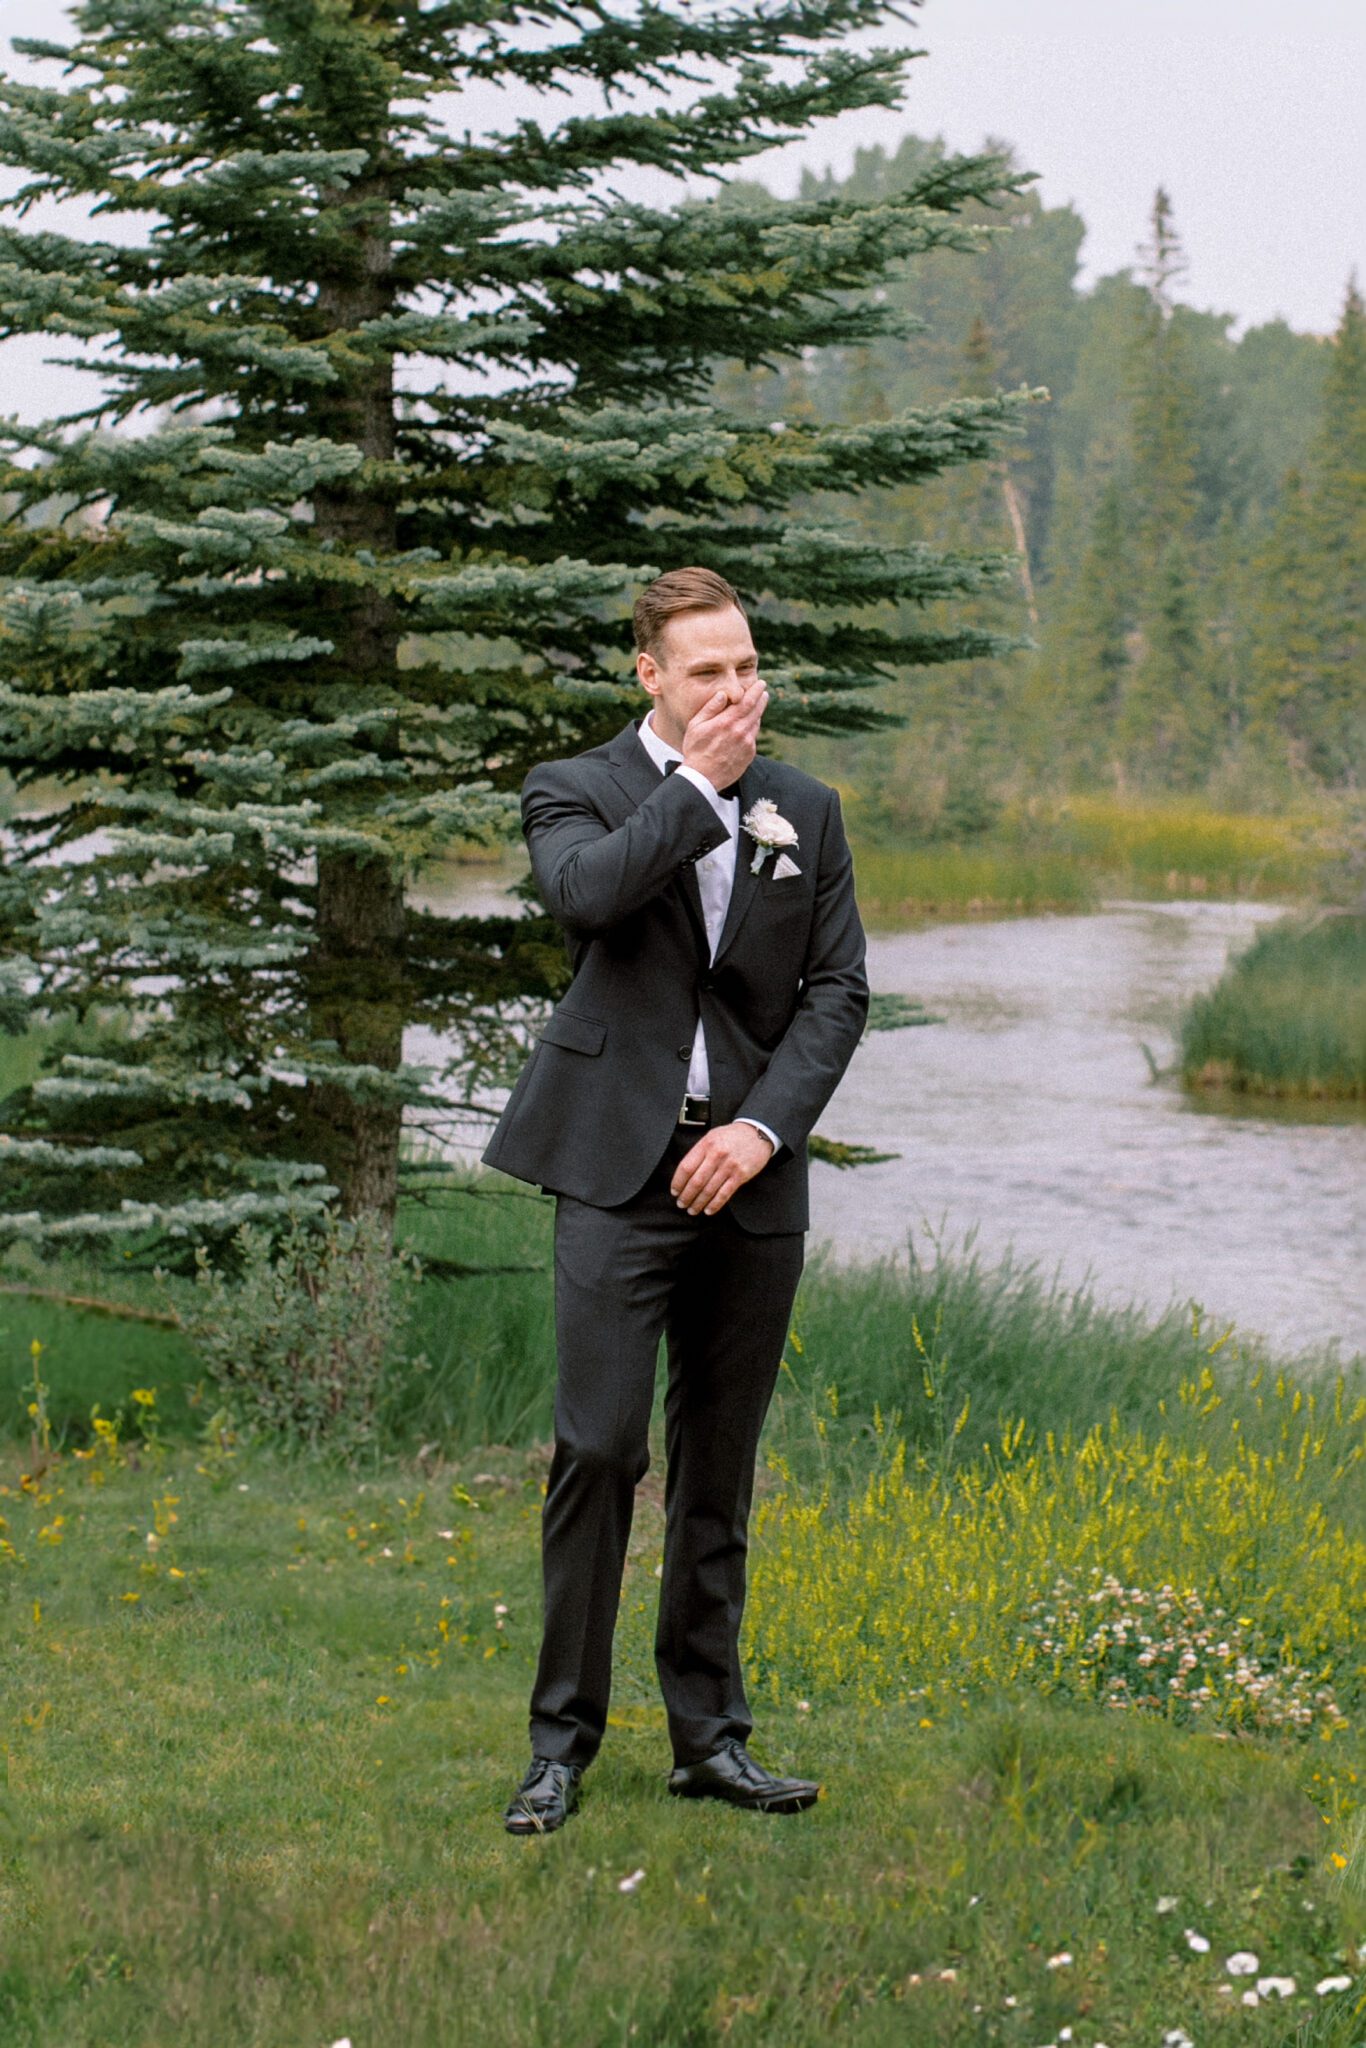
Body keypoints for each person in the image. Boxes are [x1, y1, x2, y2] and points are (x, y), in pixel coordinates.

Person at [483, 565, 868, 1833]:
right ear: (648, 674)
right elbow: (585, 900)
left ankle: (710, 1740)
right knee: (598, 1448)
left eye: (747, 666)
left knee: (721, 1466)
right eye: (708, 671)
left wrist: (763, 1128)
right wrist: (697, 786)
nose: (737, 691)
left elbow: (836, 991)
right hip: (614, 1170)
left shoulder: (807, 807)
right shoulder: (573, 789)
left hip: (748, 1179)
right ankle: (560, 1746)